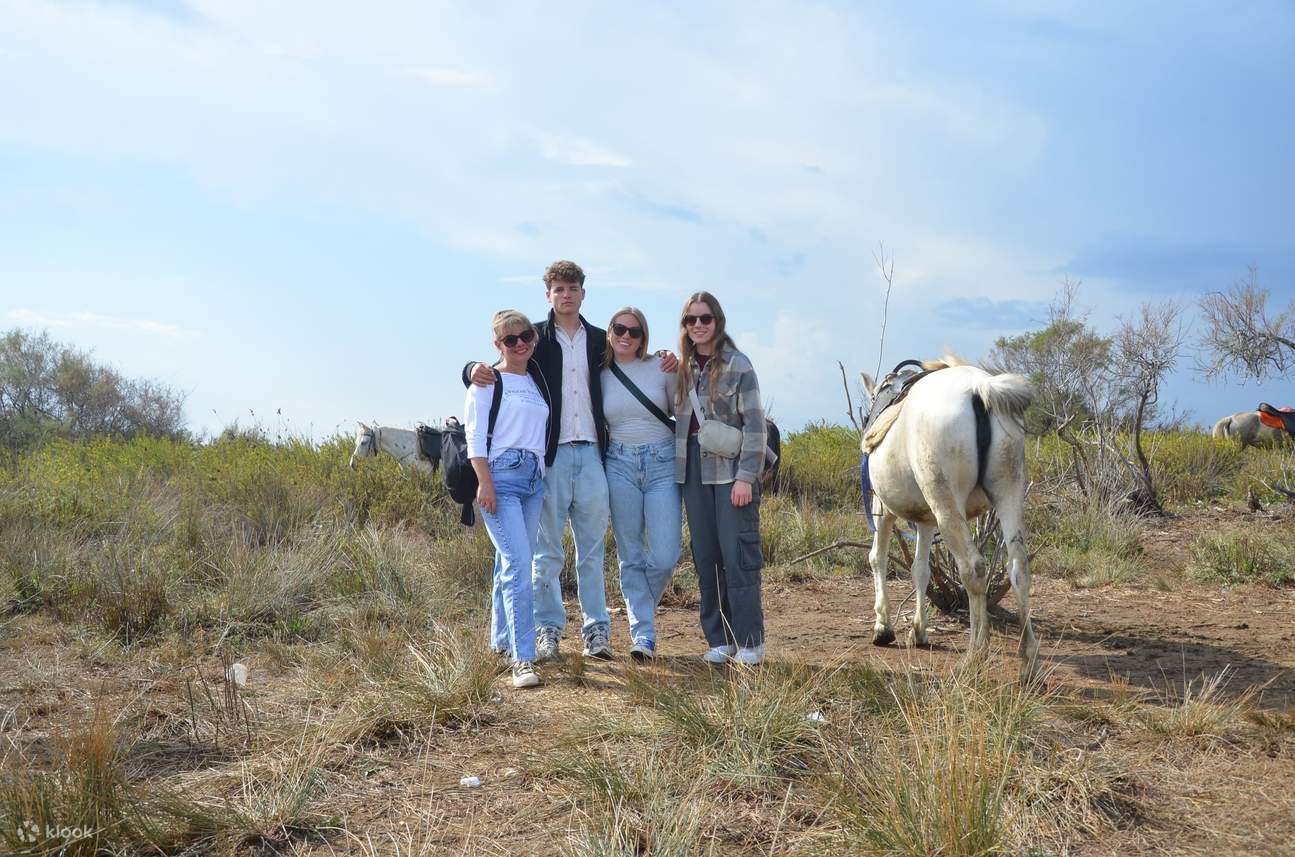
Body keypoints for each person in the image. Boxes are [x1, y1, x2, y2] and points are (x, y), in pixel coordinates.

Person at [465, 261, 676, 661]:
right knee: (547, 551)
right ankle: (548, 631)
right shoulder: (535, 339)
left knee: (592, 549)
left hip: (595, 454)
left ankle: (596, 630)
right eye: (558, 289)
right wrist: (470, 369)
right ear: (548, 295)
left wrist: (667, 356)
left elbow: (638, 354)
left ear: (583, 293)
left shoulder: (601, 340)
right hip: (551, 458)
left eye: (572, 288)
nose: (566, 295)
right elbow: (502, 364)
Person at [674, 291, 768, 665]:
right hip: (692, 471)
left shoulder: (738, 365)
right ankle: (720, 639)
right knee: (707, 558)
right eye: (691, 320)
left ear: (718, 321)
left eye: (705, 319)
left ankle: (749, 641)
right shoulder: (680, 368)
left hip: (731, 473)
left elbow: (756, 427)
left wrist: (747, 477)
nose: (698, 325)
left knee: (738, 556)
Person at [466, 310, 552, 688]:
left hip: (534, 479)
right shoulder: (486, 381)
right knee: (520, 564)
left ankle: (500, 644)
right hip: (501, 477)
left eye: (526, 336)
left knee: (509, 563)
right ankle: (524, 659)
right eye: (510, 339)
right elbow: (474, 439)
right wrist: (485, 483)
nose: (520, 344)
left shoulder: (536, 379)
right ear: (497, 345)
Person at [600, 306, 681, 661]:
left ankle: (640, 609)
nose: (626, 337)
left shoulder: (660, 368)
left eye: (634, 332)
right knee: (630, 555)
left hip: (662, 463)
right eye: (620, 329)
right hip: (618, 464)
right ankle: (644, 635)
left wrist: (678, 369)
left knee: (665, 555)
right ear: (609, 332)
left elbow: (682, 407)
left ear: (643, 337)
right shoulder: (598, 374)